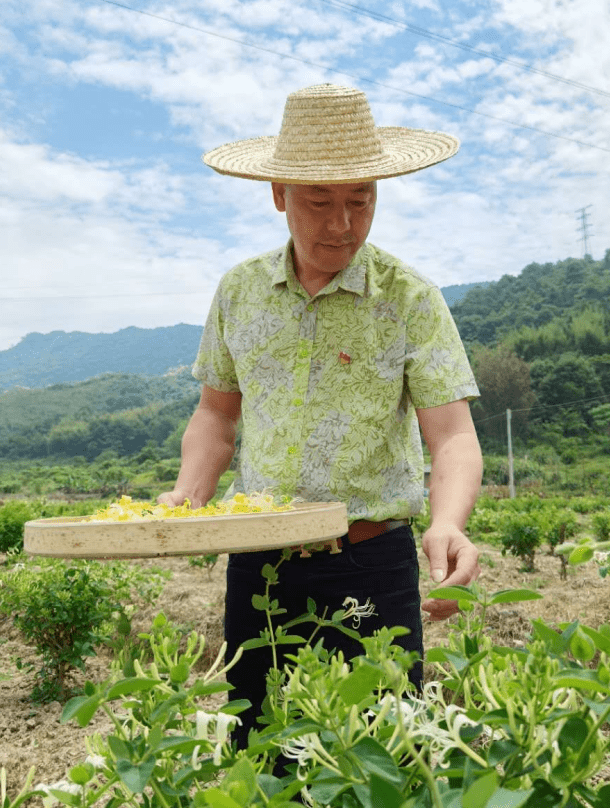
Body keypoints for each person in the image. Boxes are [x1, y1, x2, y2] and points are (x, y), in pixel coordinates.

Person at [158, 83, 483, 749]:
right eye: (319, 201)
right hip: (260, 564)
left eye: (359, 200)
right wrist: (188, 496)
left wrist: (448, 524)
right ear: (278, 192)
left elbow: (450, 437)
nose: (341, 223)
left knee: (376, 753)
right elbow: (216, 417)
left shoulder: (409, 297)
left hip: (368, 560)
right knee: (262, 747)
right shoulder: (240, 291)